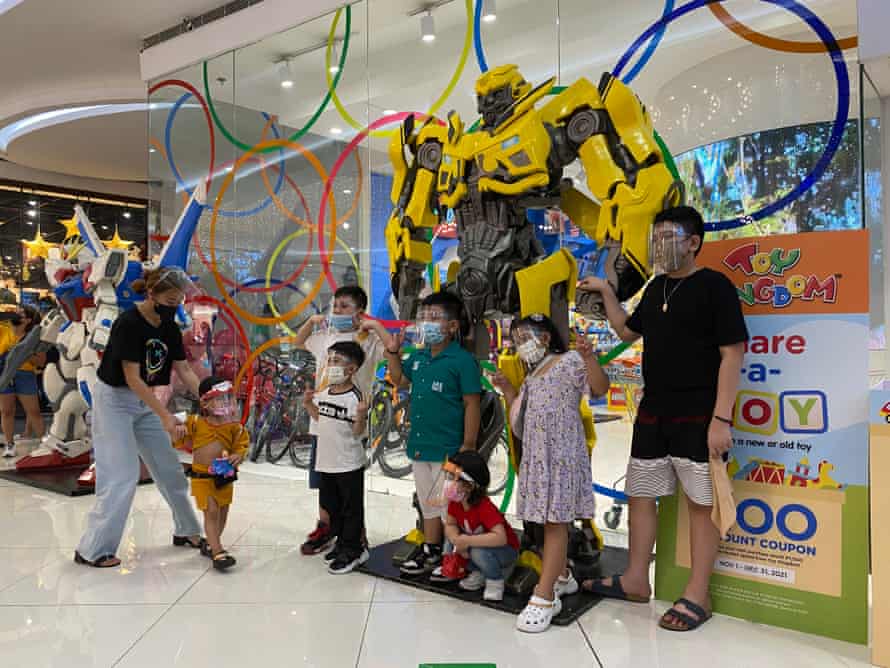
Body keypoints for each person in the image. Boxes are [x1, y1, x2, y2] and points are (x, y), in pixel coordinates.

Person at [577, 205, 747, 632]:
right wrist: (606, 292)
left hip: (700, 413)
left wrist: (721, 419)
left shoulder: (715, 287)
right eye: (655, 238)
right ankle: (636, 578)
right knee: (640, 495)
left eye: (668, 236)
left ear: (693, 241)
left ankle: (698, 593)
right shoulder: (655, 289)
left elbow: (733, 355)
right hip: (653, 411)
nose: (659, 246)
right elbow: (627, 331)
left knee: (700, 503)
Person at [75, 267, 204, 568]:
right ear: (152, 295)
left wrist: (211, 400)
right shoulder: (129, 323)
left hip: (144, 400)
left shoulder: (169, 326)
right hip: (115, 400)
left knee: (169, 469)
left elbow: (184, 369)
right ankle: (92, 549)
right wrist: (166, 417)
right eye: (171, 301)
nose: (176, 307)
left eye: (179, 302)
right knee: (121, 474)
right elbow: (132, 378)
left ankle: (187, 530)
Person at [492, 313, 609, 632]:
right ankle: (562, 577)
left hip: (561, 460)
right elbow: (521, 417)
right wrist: (507, 390)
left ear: (546, 337)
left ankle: (544, 597)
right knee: (544, 522)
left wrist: (589, 358)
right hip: (538, 459)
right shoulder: (531, 376)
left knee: (556, 524)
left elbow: (598, 388)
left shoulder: (569, 360)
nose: (521, 343)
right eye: (515, 338)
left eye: (526, 336)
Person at [385, 291, 482, 576]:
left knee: (449, 507)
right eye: (423, 317)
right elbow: (401, 381)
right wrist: (393, 353)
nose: (426, 323)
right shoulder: (418, 357)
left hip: (449, 449)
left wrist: (468, 445)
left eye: (435, 317)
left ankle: (455, 557)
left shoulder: (462, 361)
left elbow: (471, 403)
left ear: (452, 326)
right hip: (419, 445)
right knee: (428, 502)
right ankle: (431, 551)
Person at [295, 285, 393, 555]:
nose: (337, 311)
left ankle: (355, 535)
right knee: (324, 481)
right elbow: (298, 341)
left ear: (359, 311)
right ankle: (326, 527)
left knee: (348, 484)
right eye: (335, 306)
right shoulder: (327, 336)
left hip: (351, 422)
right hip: (321, 421)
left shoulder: (367, 340)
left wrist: (374, 326)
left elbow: (393, 349)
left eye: (344, 306)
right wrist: (312, 321)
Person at [302, 341, 371, 574]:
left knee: (351, 509)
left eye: (337, 361)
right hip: (327, 462)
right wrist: (308, 404)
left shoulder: (354, 397)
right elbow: (319, 418)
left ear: (351, 369)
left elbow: (358, 432)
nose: (330, 365)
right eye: (330, 360)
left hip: (348, 464)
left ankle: (354, 549)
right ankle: (342, 543)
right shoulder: (324, 392)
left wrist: (361, 416)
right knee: (333, 507)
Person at [175, 376, 248, 571]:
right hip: (202, 478)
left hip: (224, 476)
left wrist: (238, 455)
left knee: (223, 513)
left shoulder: (234, 426)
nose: (226, 403)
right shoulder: (195, 422)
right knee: (212, 511)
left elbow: (242, 444)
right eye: (220, 399)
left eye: (228, 398)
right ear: (205, 403)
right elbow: (177, 434)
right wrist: (179, 430)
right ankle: (218, 551)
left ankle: (211, 542)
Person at [440, 450, 519, 602]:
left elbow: (500, 538)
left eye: (453, 478)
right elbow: (450, 524)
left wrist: (466, 541)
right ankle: (478, 572)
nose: (448, 482)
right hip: (475, 543)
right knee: (450, 540)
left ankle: (495, 580)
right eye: (448, 476)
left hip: (505, 551)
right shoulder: (455, 502)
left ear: (470, 485)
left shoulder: (484, 507)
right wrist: (456, 539)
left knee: (477, 551)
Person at [0, 305, 46, 457]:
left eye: (20, 313)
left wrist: (24, 353)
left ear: (27, 320)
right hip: (4, 374)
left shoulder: (34, 337)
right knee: (6, 411)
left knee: (33, 412)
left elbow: (41, 362)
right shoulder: (4, 329)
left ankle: (44, 444)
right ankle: (9, 444)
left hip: (25, 375)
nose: (15, 315)